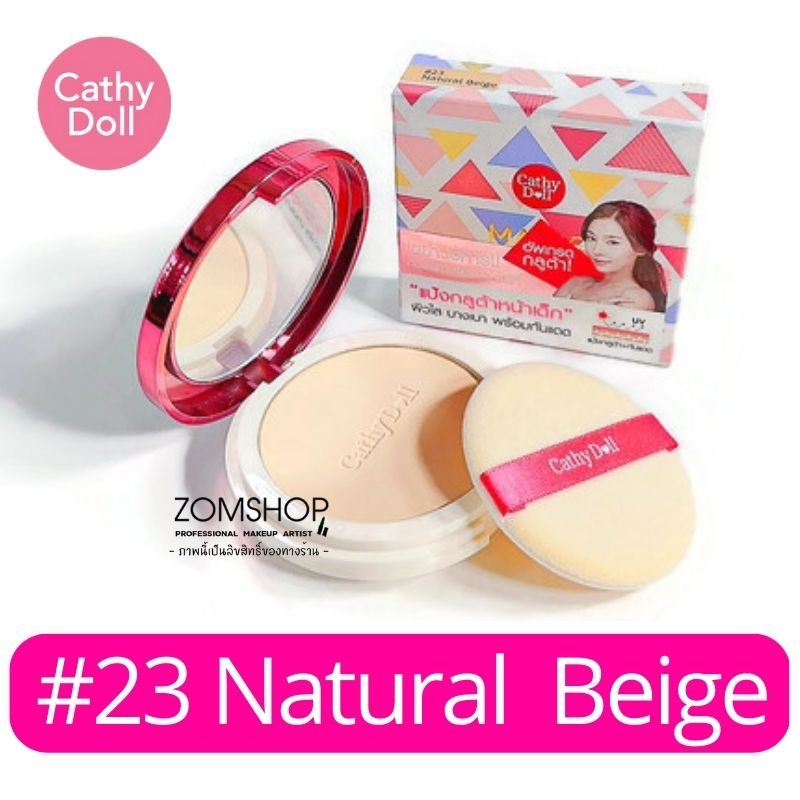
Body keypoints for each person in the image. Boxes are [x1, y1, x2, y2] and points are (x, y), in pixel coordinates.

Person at [555, 200, 666, 312]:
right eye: (592, 238)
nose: (597, 250)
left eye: (612, 242)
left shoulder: (636, 298)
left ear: (641, 248)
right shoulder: (576, 284)